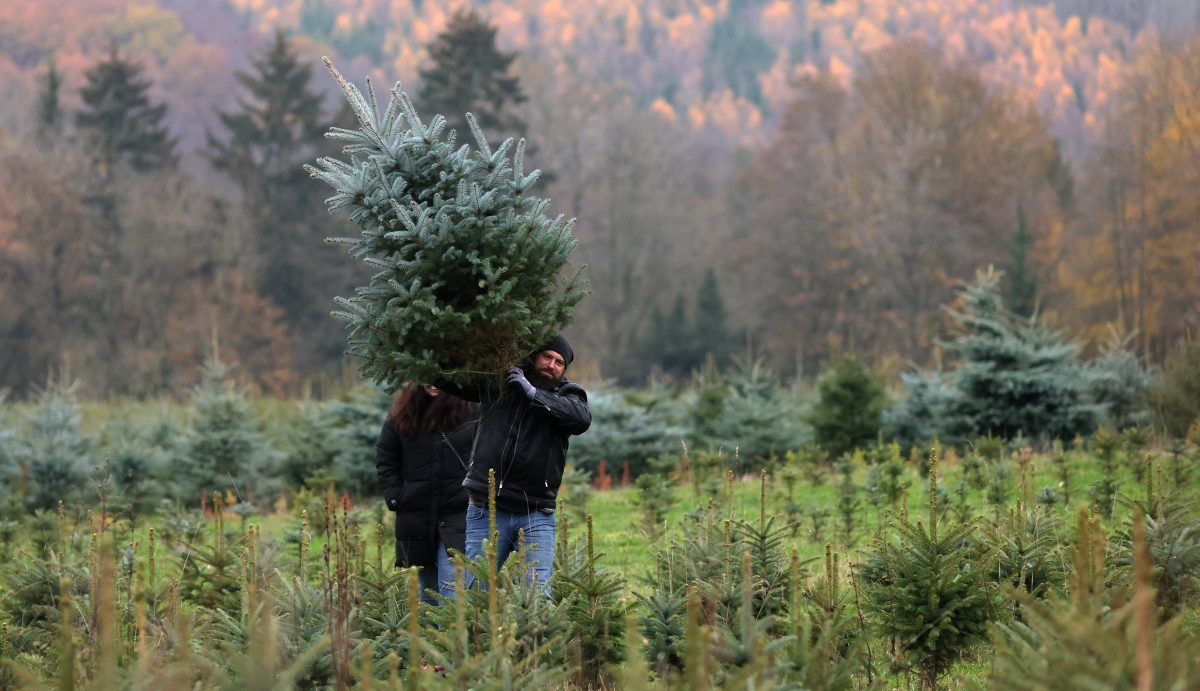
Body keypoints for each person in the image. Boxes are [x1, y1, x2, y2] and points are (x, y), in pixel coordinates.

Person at [439, 335, 590, 596]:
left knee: (536, 595)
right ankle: (479, 638)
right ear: (535, 356)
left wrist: (532, 393)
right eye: (548, 357)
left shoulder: (568, 395)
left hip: (535, 512)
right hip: (486, 508)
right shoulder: (500, 383)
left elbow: (580, 419)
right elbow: (452, 379)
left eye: (559, 362)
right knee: (477, 594)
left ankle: (530, 638)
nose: (552, 365)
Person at [375, 383, 477, 602]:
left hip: (459, 514)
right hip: (416, 516)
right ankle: (429, 637)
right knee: (427, 593)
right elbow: (386, 456)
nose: (432, 383)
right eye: (427, 376)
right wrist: (395, 497)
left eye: (439, 376)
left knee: (453, 591)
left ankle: (453, 637)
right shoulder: (404, 412)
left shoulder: (470, 411)